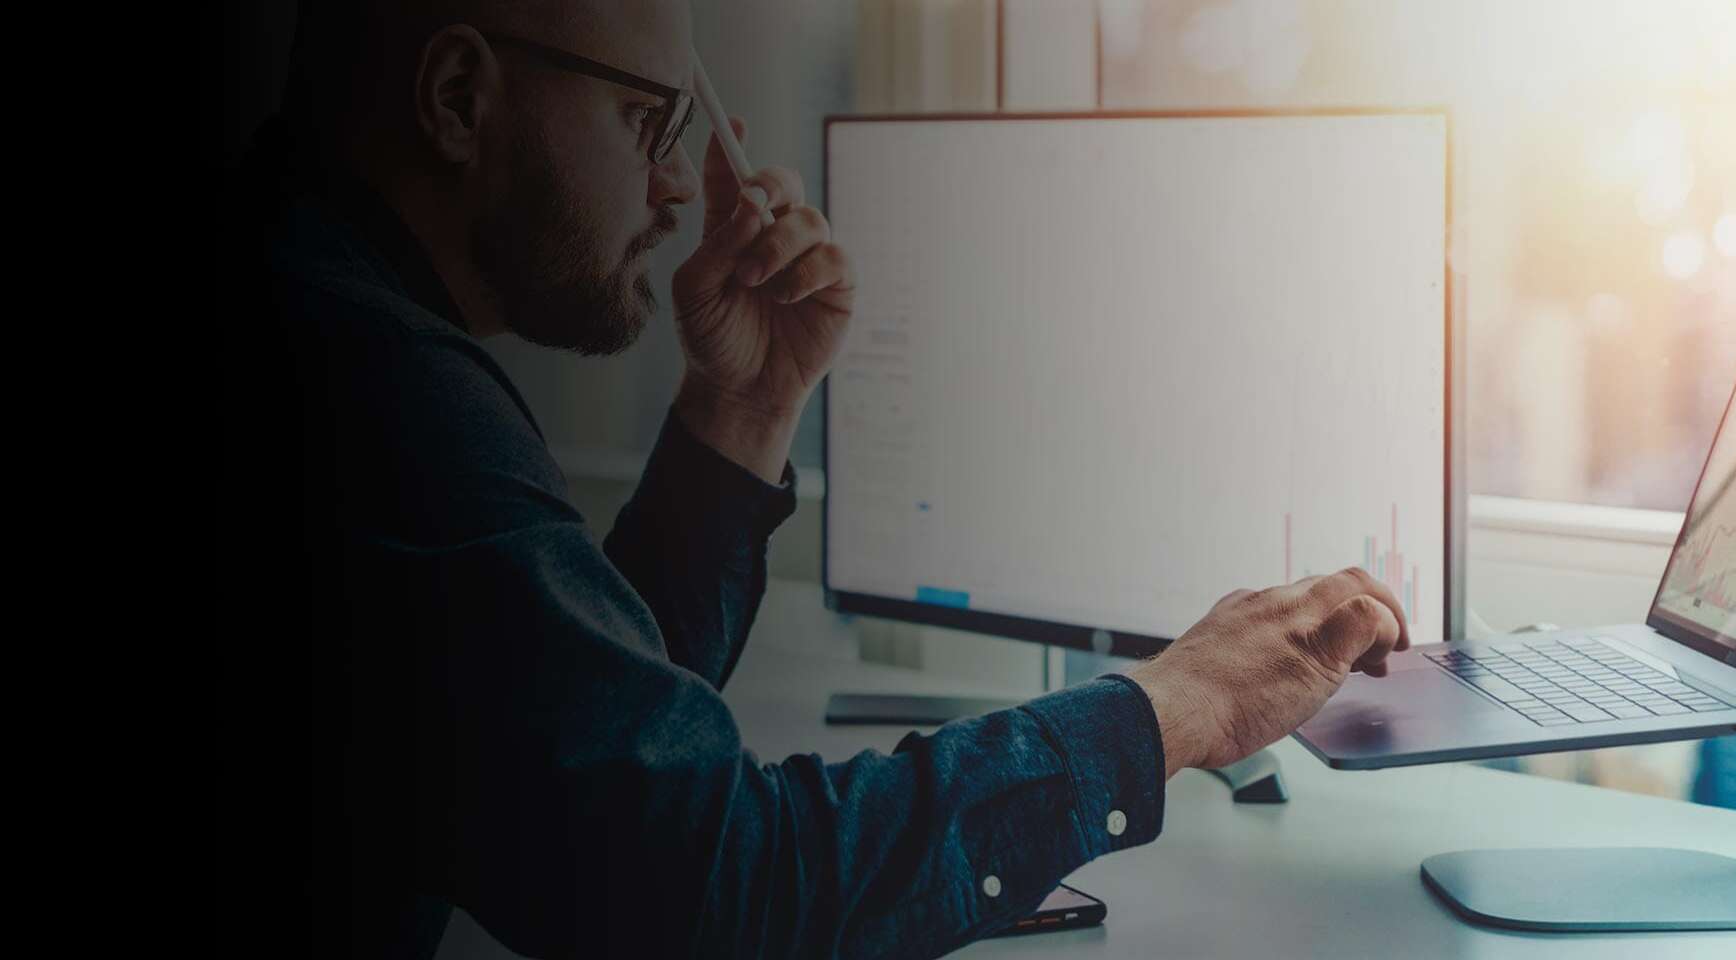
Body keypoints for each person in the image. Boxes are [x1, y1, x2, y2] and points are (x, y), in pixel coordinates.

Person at [214, 1, 1410, 956]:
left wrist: (745, 404)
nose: (679, 188)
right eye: (650, 122)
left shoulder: (319, 304)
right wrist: (1176, 707)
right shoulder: (375, 393)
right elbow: (711, 887)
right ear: (458, 96)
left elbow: (584, 754)